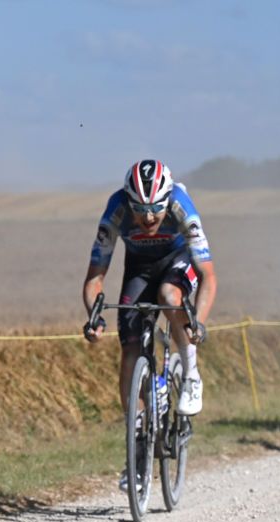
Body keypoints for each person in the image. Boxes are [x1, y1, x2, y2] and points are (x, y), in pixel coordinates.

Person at [82, 160, 217, 489]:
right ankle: (138, 447)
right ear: (128, 200)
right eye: (140, 209)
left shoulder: (182, 208)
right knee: (129, 347)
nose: (149, 217)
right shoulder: (115, 211)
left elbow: (209, 276)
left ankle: (190, 374)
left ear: (167, 200)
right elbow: (94, 278)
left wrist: (197, 323)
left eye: (157, 208)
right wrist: (94, 316)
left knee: (169, 295)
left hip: (179, 260)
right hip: (139, 267)